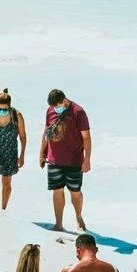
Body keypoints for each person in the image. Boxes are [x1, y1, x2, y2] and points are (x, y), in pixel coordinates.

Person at [41, 88, 92, 232]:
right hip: (54, 159)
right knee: (57, 191)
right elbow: (46, 132)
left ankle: (78, 216)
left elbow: (86, 137)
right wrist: (41, 153)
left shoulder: (78, 112)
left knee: (75, 192)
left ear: (64, 101)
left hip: (74, 160)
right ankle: (58, 223)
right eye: (53, 107)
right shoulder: (50, 111)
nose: (55, 109)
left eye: (57, 106)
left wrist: (87, 160)